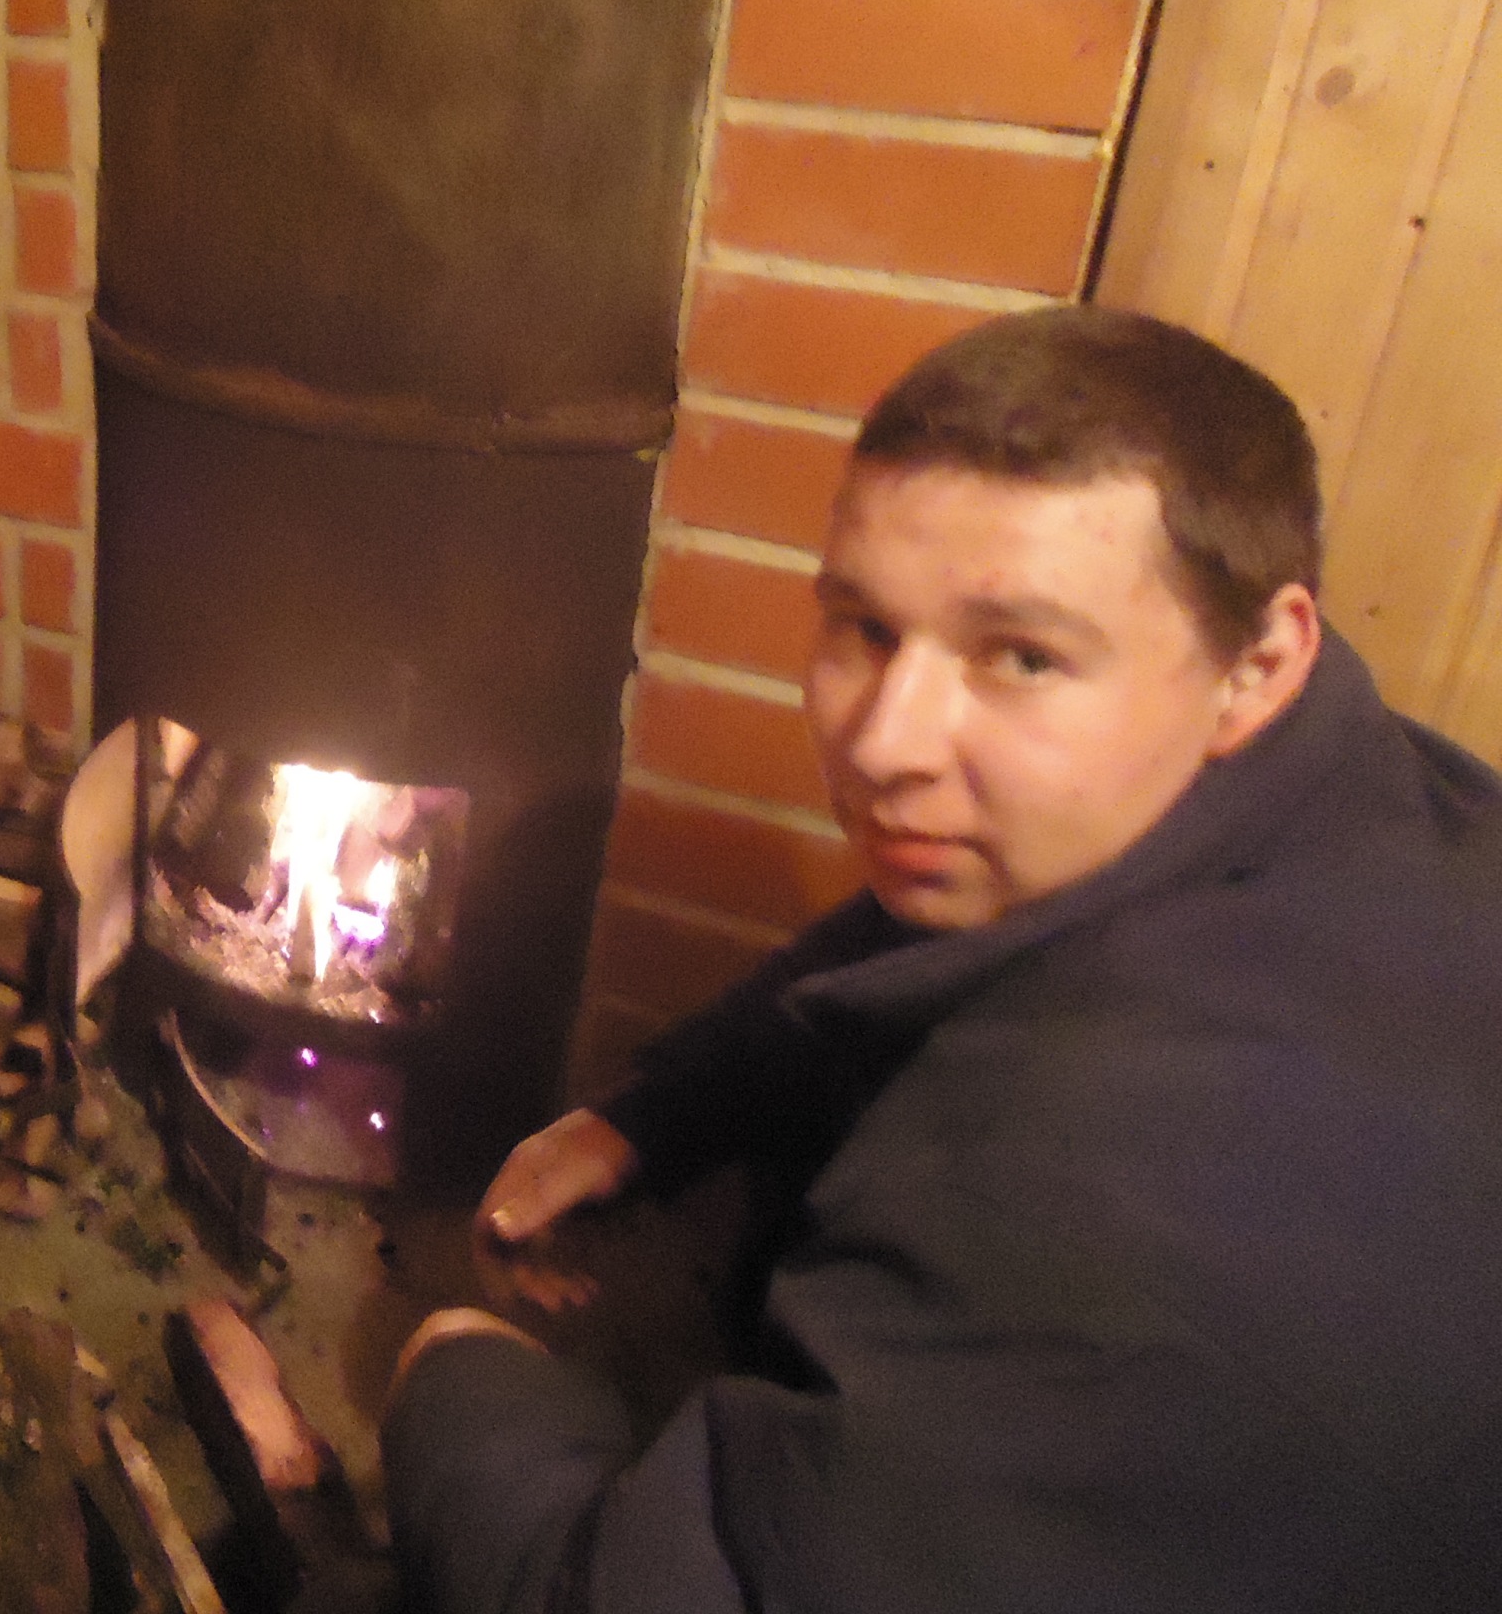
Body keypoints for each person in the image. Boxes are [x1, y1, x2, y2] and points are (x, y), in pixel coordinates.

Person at [380, 305, 1502, 1613]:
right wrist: (660, 1113)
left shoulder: (1091, 1201)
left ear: (1259, 661)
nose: (884, 744)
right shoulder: (1354, 800)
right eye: (864, 628)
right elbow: (920, 932)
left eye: (1021, 656)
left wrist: (455, 1385)